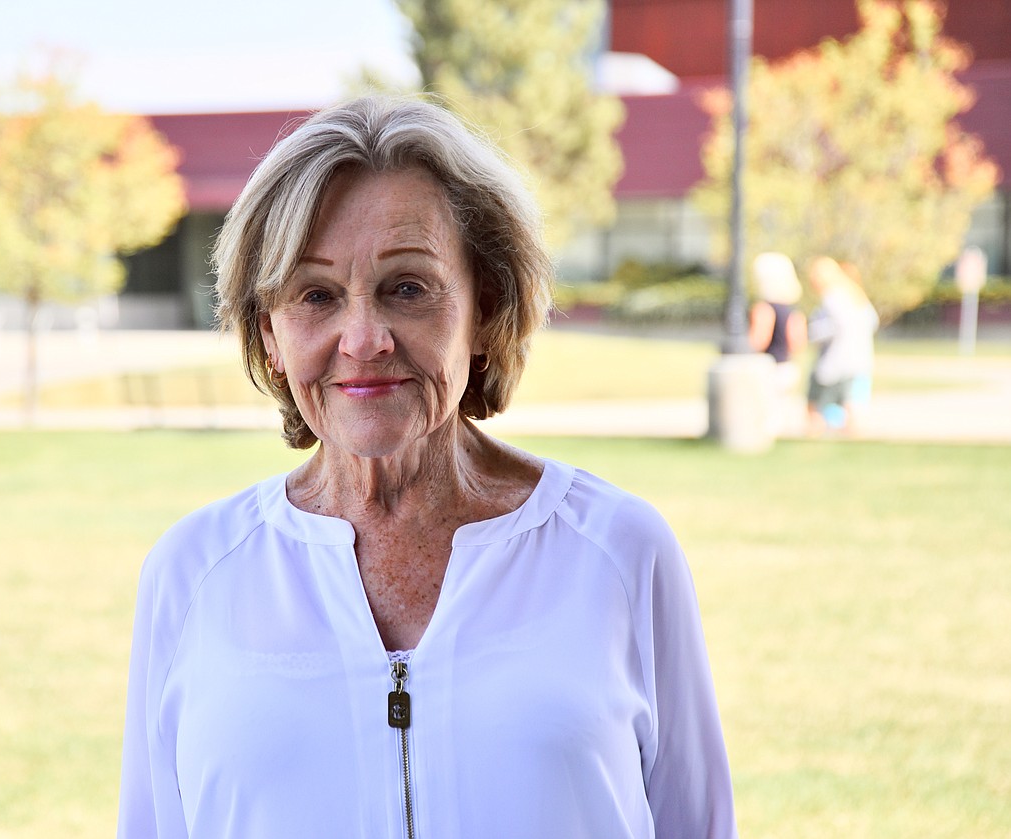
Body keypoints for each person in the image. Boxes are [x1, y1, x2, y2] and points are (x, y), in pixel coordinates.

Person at [117, 96, 738, 839]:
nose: (365, 338)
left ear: (485, 306)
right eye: (316, 295)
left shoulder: (620, 552)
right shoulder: (195, 573)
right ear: (270, 335)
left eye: (407, 288)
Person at [805, 256, 880, 435]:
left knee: (817, 405)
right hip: (858, 360)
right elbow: (872, 321)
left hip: (835, 361)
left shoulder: (833, 296)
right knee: (851, 405)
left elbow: (838, 325)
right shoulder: (854, 294)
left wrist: (813, 331)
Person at [748, 252, 807, 432]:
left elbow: (758, 340)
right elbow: (798, 342)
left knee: (767, 415)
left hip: (768, 366)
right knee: (782, 411)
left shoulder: (764, 308)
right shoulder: (793, 311)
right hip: (787, 366)